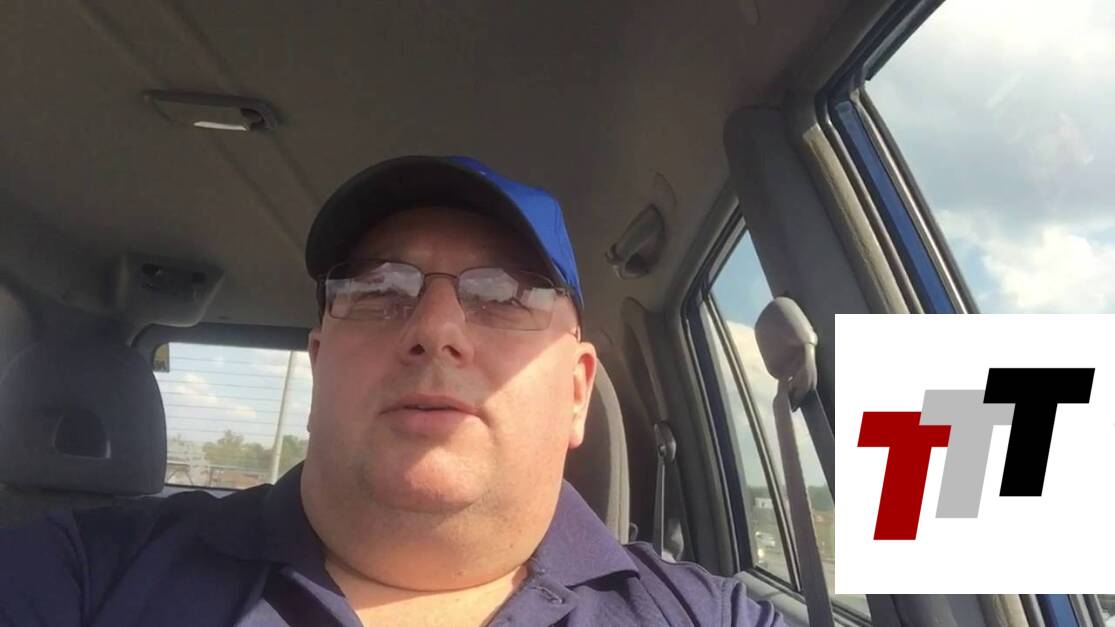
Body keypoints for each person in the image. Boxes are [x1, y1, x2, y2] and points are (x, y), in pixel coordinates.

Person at [0, 156, 784, 626]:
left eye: (505, 293)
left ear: (576, 391)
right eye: (378, 288)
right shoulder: (83, 575)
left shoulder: (710, 616)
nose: (435, 327)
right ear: (318, 366)